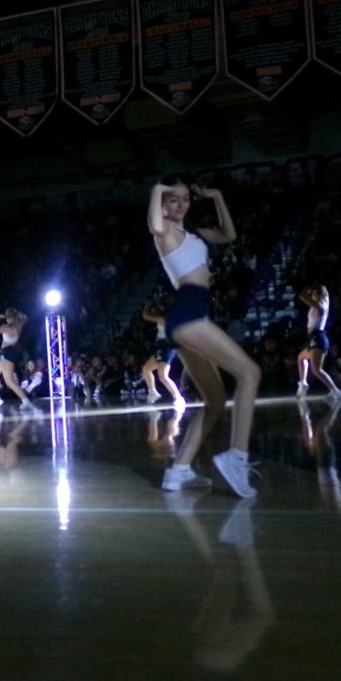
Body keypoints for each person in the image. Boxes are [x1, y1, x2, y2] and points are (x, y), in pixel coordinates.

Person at [148, 179, 261, 497]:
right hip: (187, 312)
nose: (180, 205)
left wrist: (218, 195)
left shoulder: (196, 236)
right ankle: (237, 458)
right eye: (172, 200)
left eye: (184, 199)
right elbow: (156, 225)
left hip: (189, 316)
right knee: (251, 373)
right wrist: (157, 188)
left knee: (215, 401)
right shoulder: (165, 233)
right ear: (162, 204)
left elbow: (229, 235)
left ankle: (179, 471)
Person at [295, 284, 341, 400]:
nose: (311, 296)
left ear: (319, 295)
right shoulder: (317, 305)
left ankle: (336, 391)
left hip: (318, 337)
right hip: (313, 337)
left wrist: (307, 288)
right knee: (301, 358)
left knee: (316, 369)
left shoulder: (320, 306)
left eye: (313, 294)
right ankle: (303, 383)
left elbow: (302, 296)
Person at [0, 308, 33, 411]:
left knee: (9, 381)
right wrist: (21, 313)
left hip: (7, 354)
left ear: (7, 317)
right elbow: (26, 318)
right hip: (8, 353)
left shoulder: (8, 327)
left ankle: (26, 401)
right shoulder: (19, 324)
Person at [141, 298, 185, 406]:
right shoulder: (168, 317)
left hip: (167, 346)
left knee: (163, 375)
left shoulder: (164, 318)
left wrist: (147, 305)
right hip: (161, 346)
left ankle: (178, 397)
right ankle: (152, 392)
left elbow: (145, 316)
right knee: (146, 369)